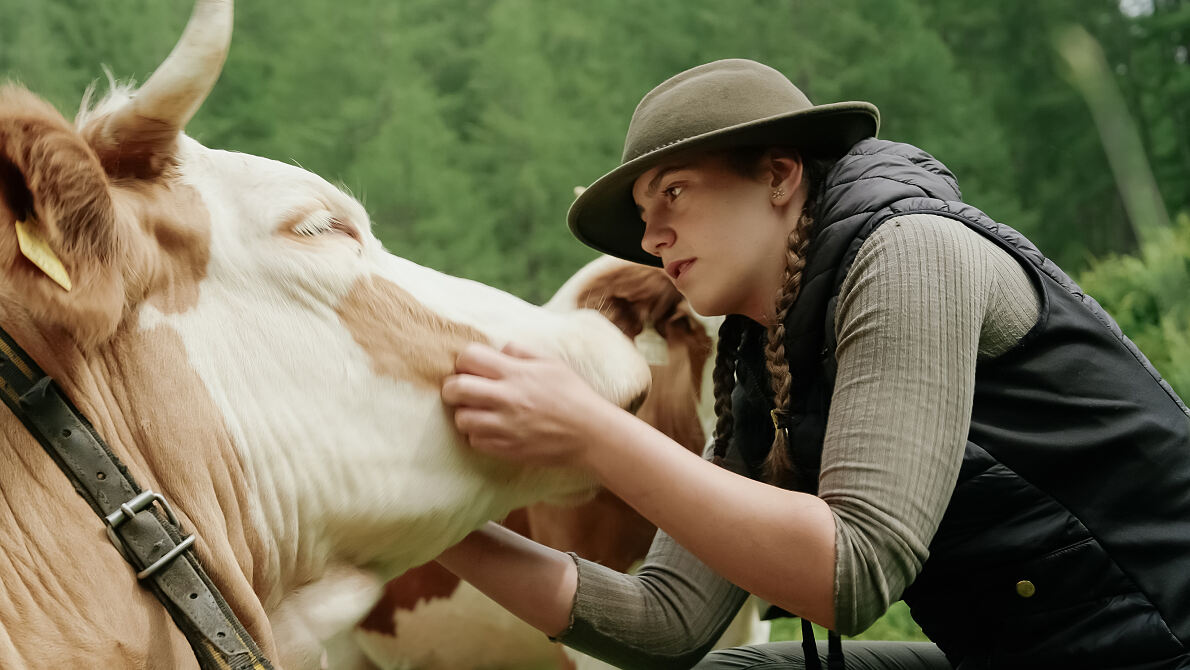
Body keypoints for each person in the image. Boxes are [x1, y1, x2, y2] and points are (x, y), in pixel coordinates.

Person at [436, 59, 1190, 669]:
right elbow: (665, 623)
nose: (654, 235)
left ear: (779, 175)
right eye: (643, 215)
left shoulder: (910, 255)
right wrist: (433, 527)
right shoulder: (766, 362)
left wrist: (589, 431)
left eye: (673, 192)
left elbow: (852, 572)